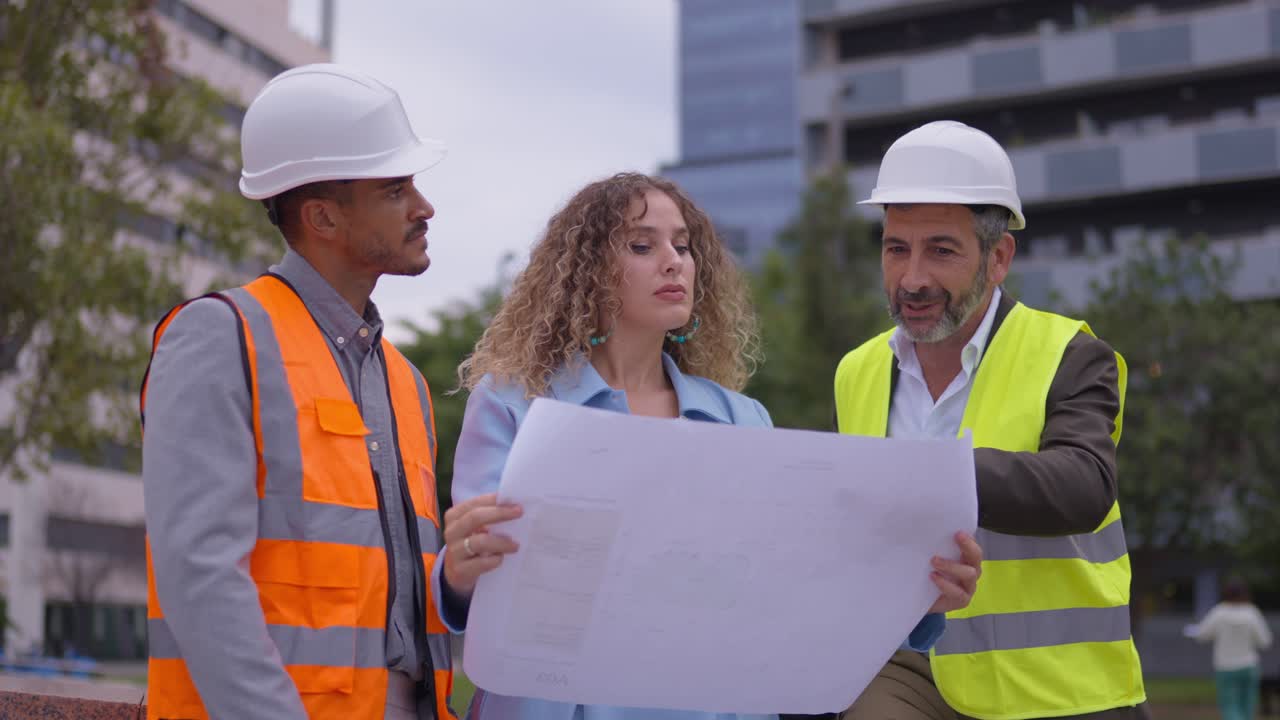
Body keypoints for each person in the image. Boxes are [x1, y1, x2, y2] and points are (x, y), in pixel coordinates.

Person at [430, 172, 984, 720]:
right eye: (642, 245)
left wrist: (914, 602)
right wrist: (456, 575)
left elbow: (794, 585)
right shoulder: (512, 403)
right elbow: (484, 585)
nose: (673, 261)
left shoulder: (744, 419)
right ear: (585, 270)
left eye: (684, 246)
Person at [142, 64, 455, 720]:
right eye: (395, 189)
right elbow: (200, 577)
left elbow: (390, 593)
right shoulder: (222, 338)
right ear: (322, 217)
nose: (424, 208)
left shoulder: (406, 383)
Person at [832, 121, 1148, 720]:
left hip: (1056, 685)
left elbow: (1083, 486)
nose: (913, 278)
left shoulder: (1071, 354)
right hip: (907, 666)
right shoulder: (856, 372)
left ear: (998, 257)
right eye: (896, 248)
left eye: (941, 250)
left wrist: (927, 476)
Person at [1185, 577, 1273, 720]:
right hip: (1249, 666)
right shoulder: (1251, 613)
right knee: (1247, 708)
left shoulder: (1219, 612)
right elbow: (1265, 641)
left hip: (1226, 667)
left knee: (1230, 707)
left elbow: (1202, 635)